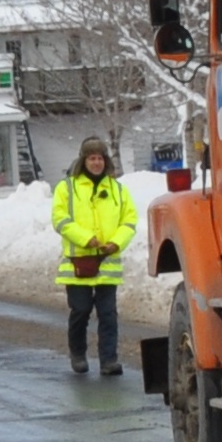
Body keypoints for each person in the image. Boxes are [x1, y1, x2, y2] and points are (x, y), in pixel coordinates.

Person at [50, 135, 138, 377]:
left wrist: (115, 242)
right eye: (91, 158)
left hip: (107, 264)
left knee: (108, 314)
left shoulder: (118, 190)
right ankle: (77, 354)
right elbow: (60, 219)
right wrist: (85, 239)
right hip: (78, 264)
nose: (96, 163)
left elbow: (129, 221)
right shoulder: (66, 188)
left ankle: (109, 360)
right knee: (81, 310)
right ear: (83, 161)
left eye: (100, 158)